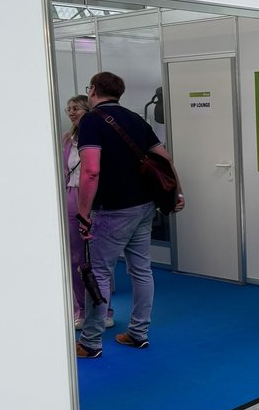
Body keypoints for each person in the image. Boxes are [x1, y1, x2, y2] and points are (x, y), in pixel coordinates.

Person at [75, 71, 185, 358]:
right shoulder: (135, 119)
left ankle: (90, 342)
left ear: (93, 90)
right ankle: (138, 333)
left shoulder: (91, 121)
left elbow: (91, 170)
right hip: (145, 206)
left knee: (99, 272)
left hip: (113, 209)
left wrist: (83, 214)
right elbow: (165, 158)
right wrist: (178, 193)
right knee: (141, 270)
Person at [62, 95, 114, 330]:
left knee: (98, 258)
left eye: (76, 108)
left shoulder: (99, 135)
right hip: (71, 196)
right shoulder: (67, 140)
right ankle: (81, 310)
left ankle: (105, 310)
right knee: (76, 257)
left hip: (94, 197)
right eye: (69, 109)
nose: (71, 112)